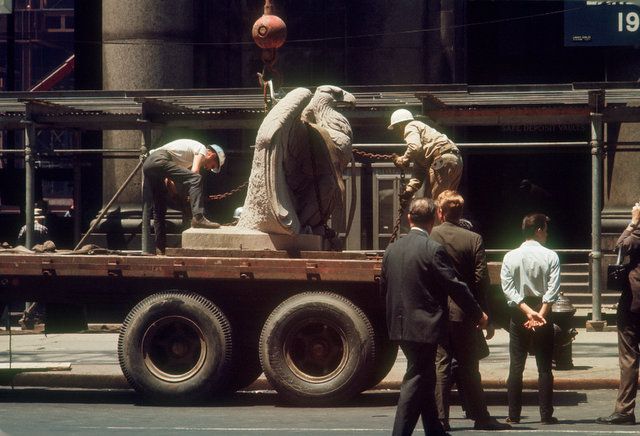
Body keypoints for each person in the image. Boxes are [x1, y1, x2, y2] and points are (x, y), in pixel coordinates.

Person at [381, 197, 488, 435]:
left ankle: (435, 430)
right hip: (425, 326)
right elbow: (455, 286)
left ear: (409, 219)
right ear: (433, 220)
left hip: (399, 324)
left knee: (426, 375)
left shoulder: (392, 249)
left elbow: (384, 288)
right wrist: (477, 313)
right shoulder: (432, 249)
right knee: (417, 377)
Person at [430, 191, 511, 431]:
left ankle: (441, 419)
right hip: (465, 312)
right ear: (460, 213)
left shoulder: (431, 236)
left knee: (442, 365)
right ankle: (480, 416)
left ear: (440, 212)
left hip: (438, 311)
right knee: (469, 367)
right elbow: (481, 279)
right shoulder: (473, 239)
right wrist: (483, 313)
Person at [500, 213, 560, 425]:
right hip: (542, 310)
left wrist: (526, 311)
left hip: (519, 312)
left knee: (516, 365)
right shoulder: (551, 256)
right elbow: (553, 289)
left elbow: (508, 289)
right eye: (545, 229)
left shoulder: (510, 256)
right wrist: (540, 314)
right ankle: (546, 414)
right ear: (539, 230)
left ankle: (513, 414)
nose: (547, 233)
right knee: (544, 366)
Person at [596, 202, 640, 425]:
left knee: (629, 357)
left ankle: (624, 410)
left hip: (635, 304)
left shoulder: (638, 230)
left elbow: (620, 246)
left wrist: (633, 222)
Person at [143, 139, 225, 255]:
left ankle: (160, 249)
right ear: (211, 154)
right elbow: (195, 173)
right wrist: (192, 196)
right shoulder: (201, 148)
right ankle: (199, 217)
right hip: (159, 159)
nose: (209, 168)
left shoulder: (182, 158)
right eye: (212, 165)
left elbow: (168, 181)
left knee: (159, 210)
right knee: (196, 178)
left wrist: (177, 198)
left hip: (149, 164)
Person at [387, 109, 462, 207]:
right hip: (455, 159)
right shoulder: (425, 142)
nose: (398, 132)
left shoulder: (410, 126)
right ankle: (449, 222)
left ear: (400, 124)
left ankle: (437, 222)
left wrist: (403, 159)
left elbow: (415, 147)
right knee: (449, 202)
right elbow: (419, 171)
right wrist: (409, 191)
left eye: (397, 128)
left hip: (442, 160)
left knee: (435, 203)